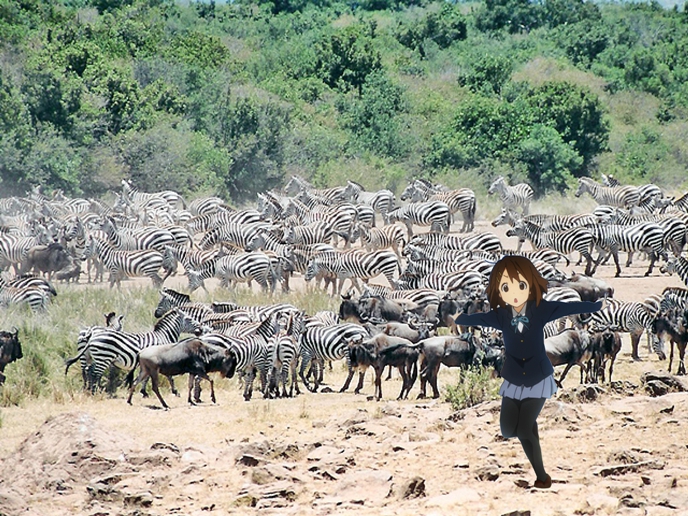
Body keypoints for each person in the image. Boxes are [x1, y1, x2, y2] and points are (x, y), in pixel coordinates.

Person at [455, 255, 602, 489]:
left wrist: (593, 306)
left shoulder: (539, 310)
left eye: (521, 286)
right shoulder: (502, 315)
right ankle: (533, 443)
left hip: (538, 375)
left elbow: (567, 307)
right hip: (514, 378)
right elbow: (478, 317)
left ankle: (541, 474)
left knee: (523, 426)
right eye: (506, 288)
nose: (514, 293)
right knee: (507, 428)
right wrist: (462, 316)